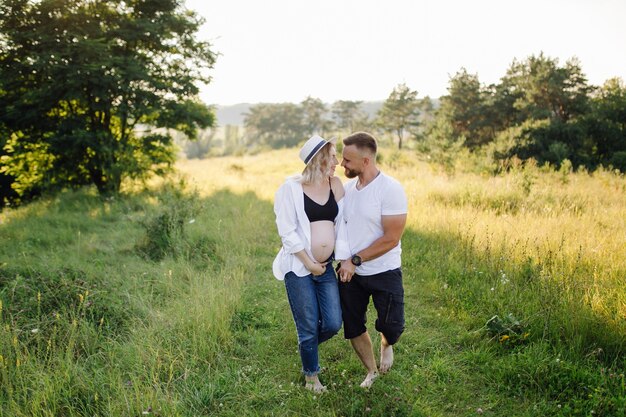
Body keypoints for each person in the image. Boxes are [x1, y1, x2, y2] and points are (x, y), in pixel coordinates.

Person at [272, 134, 349, 393]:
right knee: (307, 324)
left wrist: (340, 259)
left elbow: (344, 224)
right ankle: (310, 377)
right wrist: (309, 262)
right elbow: (287, 232)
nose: (338, 160)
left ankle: (308, 350)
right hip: (299, 267)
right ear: (320, 159)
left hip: (325, 267)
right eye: (334, 155)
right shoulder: (290, 189)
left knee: (332, 323)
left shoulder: (335, 185)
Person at [336, 131, 408, 388]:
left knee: (392, 325)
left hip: (383, 270)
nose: (342, 164)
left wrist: (355, 260)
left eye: (347, 160)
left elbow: (391, 238)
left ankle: (386, 343)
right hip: (349, 273)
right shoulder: (346, 191)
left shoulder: (390, 189)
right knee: (353, 325)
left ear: (366, 161)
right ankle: (371, 371)